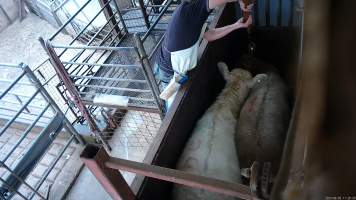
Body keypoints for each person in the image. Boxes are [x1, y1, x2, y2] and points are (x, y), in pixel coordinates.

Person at [155, 0, 253, 106]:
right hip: (169, 72)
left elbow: (209, 34)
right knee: (172, 103)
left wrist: (236, 26)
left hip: (173, 66)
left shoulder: (193, 15)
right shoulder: (188, 13)